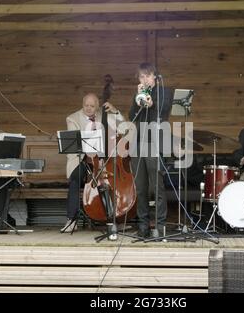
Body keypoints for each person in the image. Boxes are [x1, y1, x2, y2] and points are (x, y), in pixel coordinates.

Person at [61, 93, 124, 233]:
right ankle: (71, 220)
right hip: (82, 159)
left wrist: (116, 112)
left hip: (102, 160)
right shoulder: (72, 118)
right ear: (82, 104)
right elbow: (74, 144)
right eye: (86, 105)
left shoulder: (105, 115)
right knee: (75, 179)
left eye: (92, 106)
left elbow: (124, 128)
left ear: (97, 106)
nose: (88, 108)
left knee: (109, 181)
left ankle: (113, 219)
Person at [128, 63, 173, 238]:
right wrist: (138, 99)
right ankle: (143, 227)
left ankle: (160, 227)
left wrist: (149, 101)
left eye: (147, 76)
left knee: (157, 187)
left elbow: (162, 112)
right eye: (141, 76)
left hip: (155, 143)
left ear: (154, 76)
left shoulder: (164, 92)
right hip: (139, 143)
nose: (144, 79)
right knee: (141, 188)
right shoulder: (138, 94)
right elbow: (132, 116)